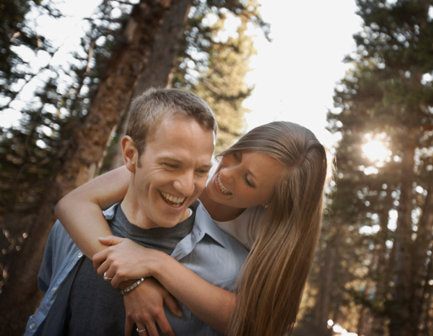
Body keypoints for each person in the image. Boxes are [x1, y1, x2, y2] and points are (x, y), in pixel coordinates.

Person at [53, 119, 328, 336]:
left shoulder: (269, 232)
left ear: (271, 201)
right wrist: (132, 283)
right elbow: (73, 204)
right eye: (238, 154)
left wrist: (157, 263)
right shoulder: (190, 165)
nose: (225, 173)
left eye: (249, 180)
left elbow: (252, 323)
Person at [25, 88, 250, 336]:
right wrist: (132, 284)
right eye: (171, 165)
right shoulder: (71, 231)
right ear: (131, 155)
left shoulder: (229, 270)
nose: (186, 187)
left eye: (200, 171)